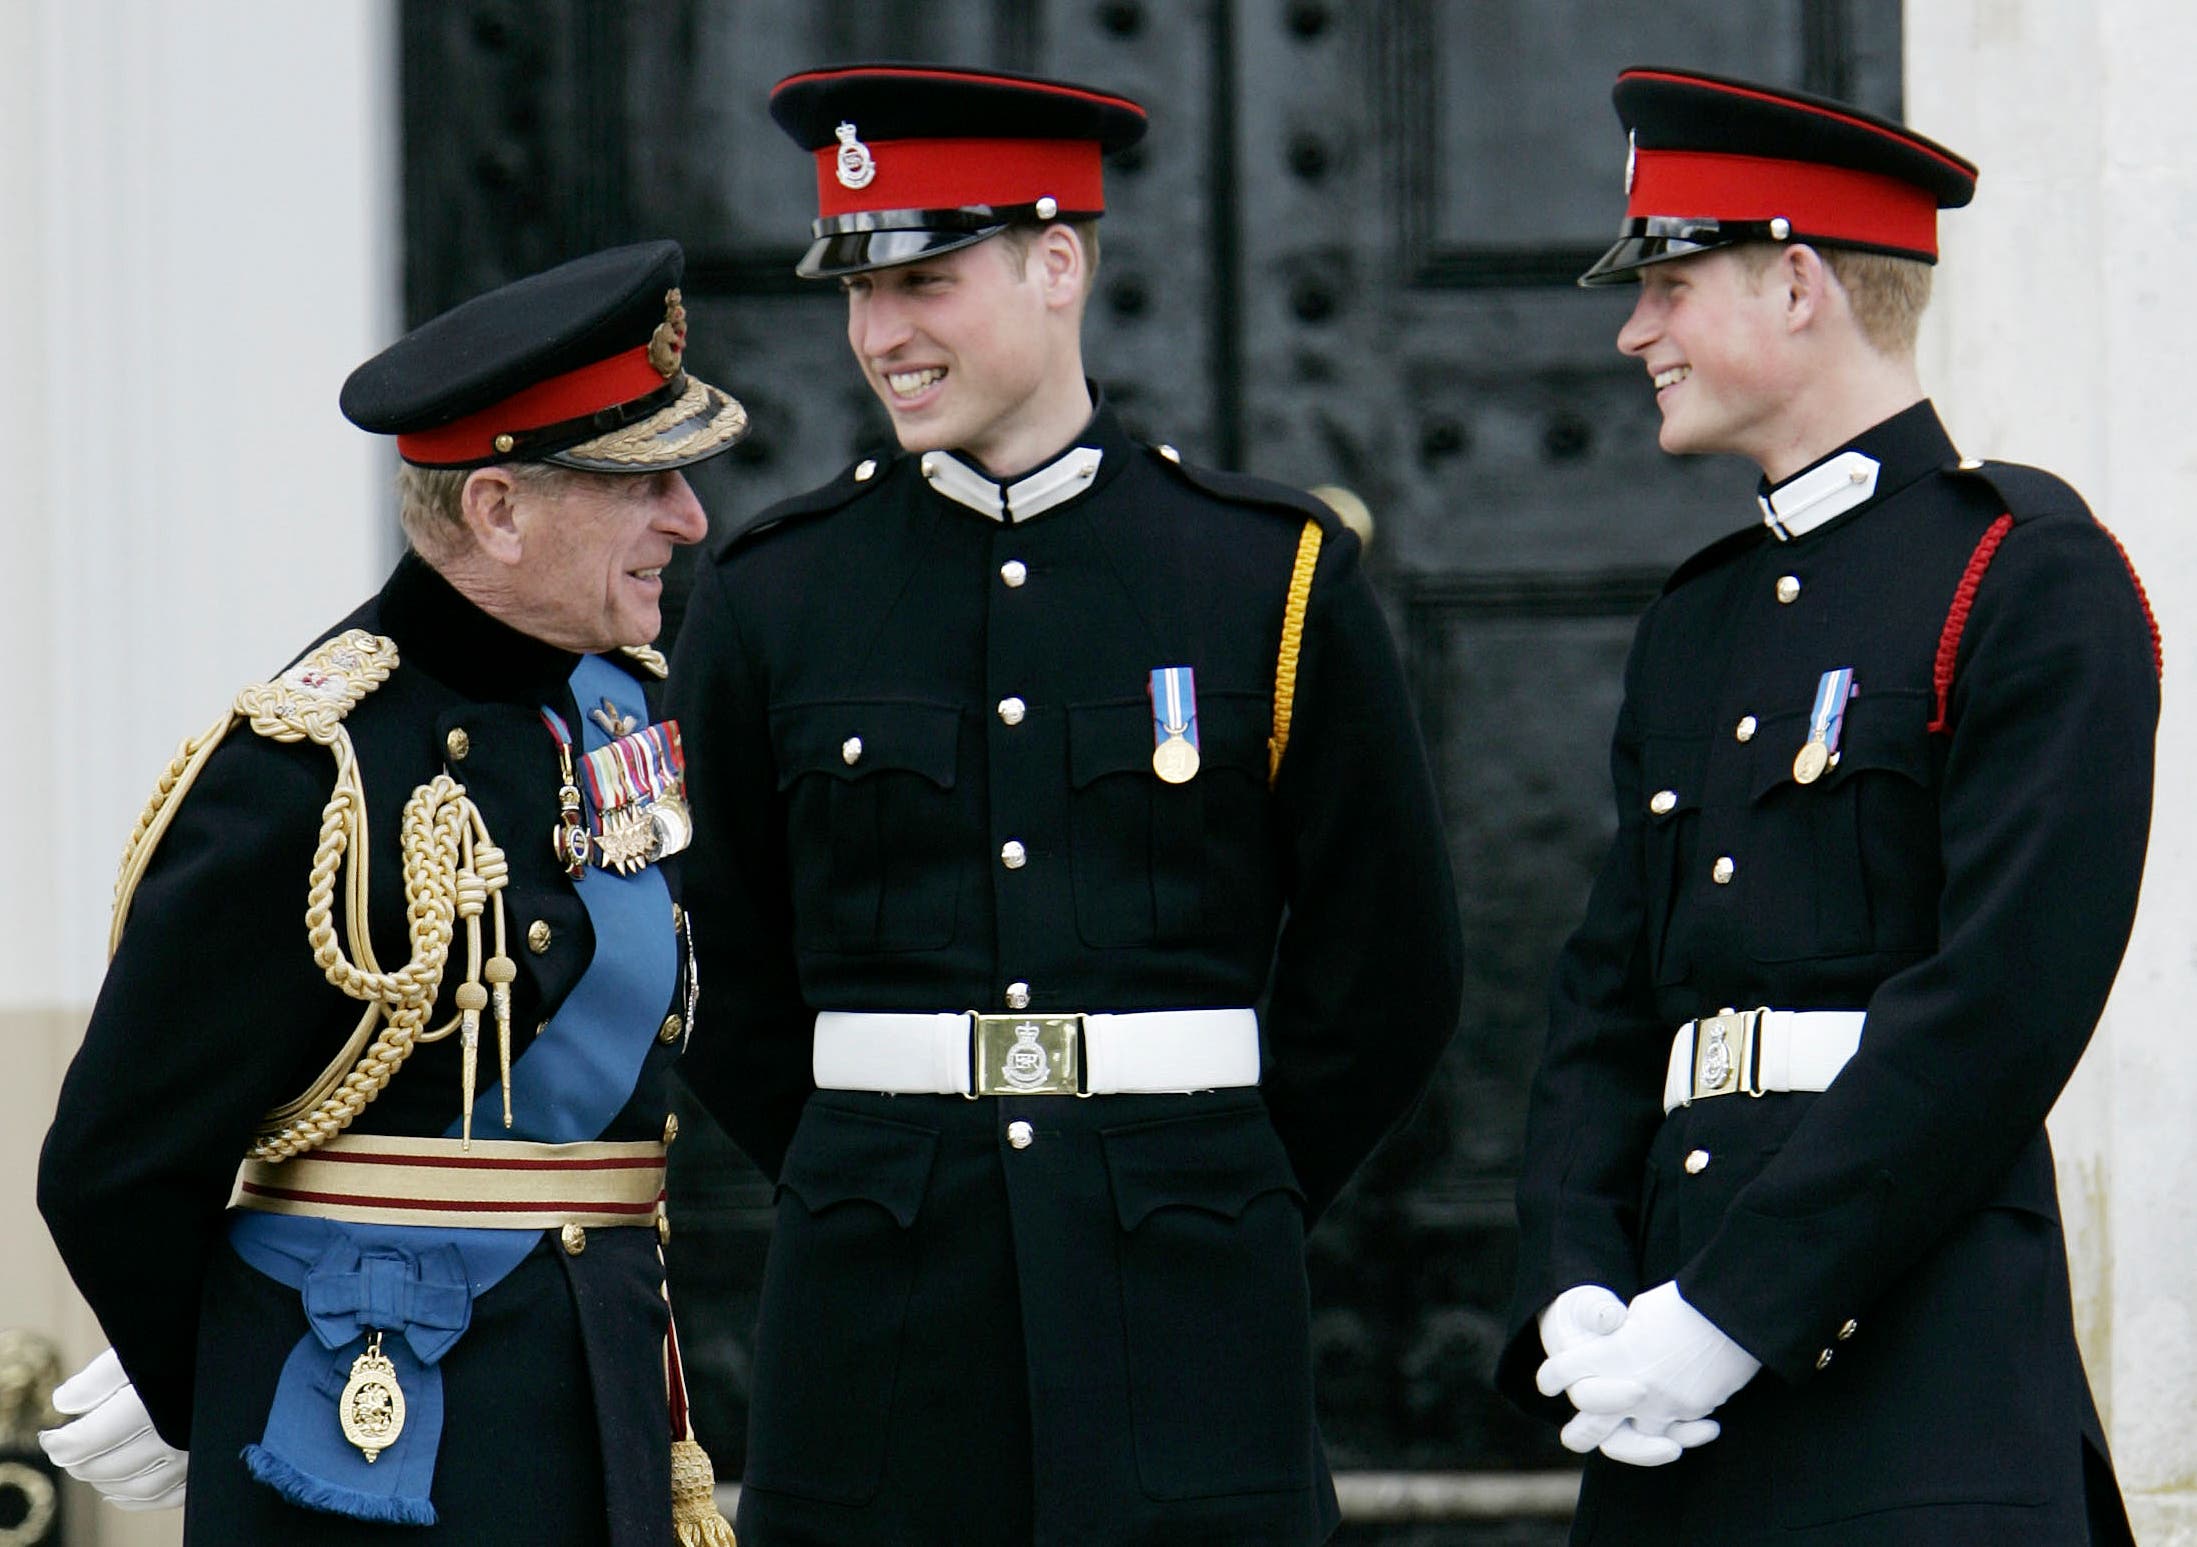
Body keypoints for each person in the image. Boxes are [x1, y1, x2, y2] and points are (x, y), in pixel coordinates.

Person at [667, 63, 1464, 1547]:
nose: (880, 333)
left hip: (1188, 1310)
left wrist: (1218, 1181)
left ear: (1055, 263)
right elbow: (713, 956)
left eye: (926, 278)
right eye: (855, 288)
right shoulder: (779, 593)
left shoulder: (1267, 578)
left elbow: (1390, 964)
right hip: (880, 1316)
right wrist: (868, 1159)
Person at [1501, 67, 2157, 1546]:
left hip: (1910, 1382)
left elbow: (1996, 1007)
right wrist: (1576, 1282)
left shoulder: (2024, 576)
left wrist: (1735, 1312)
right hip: (1668, 1397)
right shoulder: (1700, 620)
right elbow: (1607, 1002)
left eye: (1666, 284)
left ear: (1794, 282)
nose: (1632, 330)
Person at [37, 240, 748, 1546]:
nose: (689, 520)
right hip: (373, 1443)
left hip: (597, 1399)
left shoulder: (621, 711)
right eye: (645, 484)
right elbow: (115, 1167)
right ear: (496, 510)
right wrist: (230, 1378)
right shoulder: (315, 771)